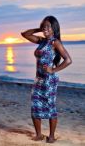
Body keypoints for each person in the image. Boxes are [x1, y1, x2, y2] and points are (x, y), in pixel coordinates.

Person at [21, 15, 72, 143]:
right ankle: (38, 135)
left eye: (48, 26)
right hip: (38, 79)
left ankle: (51, 136)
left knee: (50, 106)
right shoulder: (42, 41)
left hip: (49, 80)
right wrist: (40, 28)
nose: (45, 29)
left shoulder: (55, 42)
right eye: (44, 26)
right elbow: (24, 34)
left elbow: (68, 60)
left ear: (54, 28)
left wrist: (53, 70)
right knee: (35, 105)